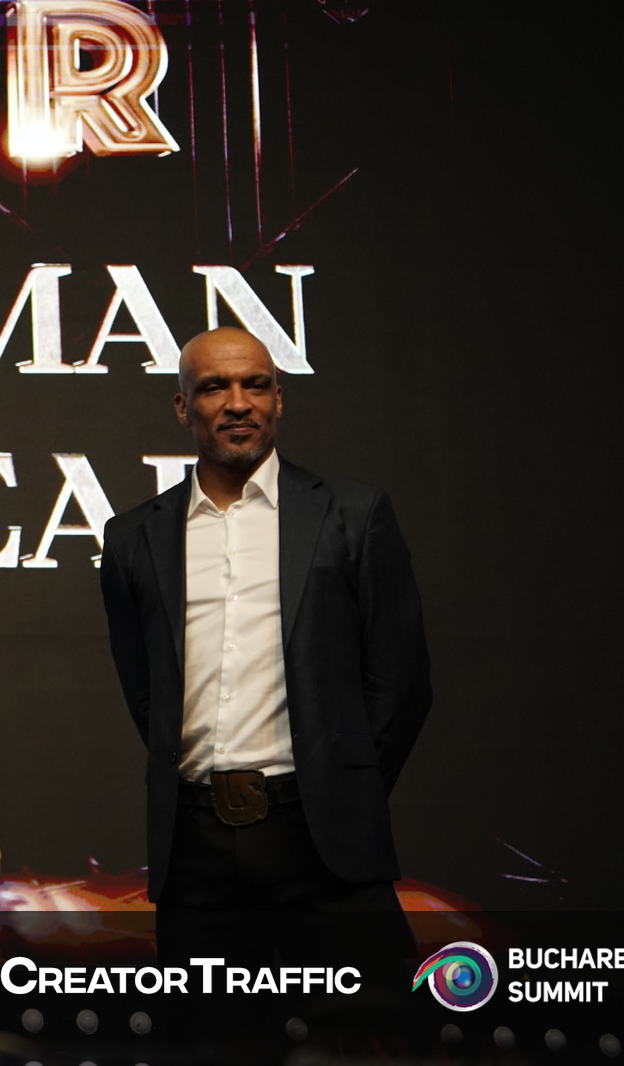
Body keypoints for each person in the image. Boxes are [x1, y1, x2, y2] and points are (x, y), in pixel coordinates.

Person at [97, 328, 431, 970]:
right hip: (194, 849)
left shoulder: (353, 514)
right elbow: (145, 693)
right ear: (182, 407)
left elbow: (401, 683)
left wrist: (341, 789)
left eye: (255, 385)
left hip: (325, 840)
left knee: (369, 1023)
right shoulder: (133, 537)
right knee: (212, 1029)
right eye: (213, 387)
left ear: (279, 399)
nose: (237, 403)